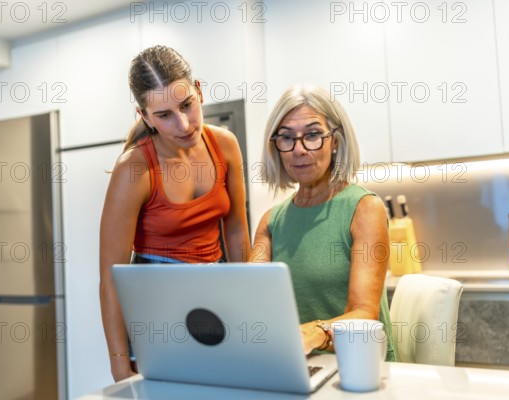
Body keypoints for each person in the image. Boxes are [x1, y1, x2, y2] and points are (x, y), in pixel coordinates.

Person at [100, 45, 251, 382]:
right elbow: (111, 278)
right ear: (144, 117)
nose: (183, 124)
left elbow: (238, 231)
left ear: (199, 90)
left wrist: (248, 305)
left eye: (187, 106)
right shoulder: (134, 169)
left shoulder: (225, 145)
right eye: (165, 115)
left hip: (216, 299)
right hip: (155, 310)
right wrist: (120, 366)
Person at [251, 84, 397, 361]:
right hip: (298, 366)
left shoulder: (364, 209)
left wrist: (317, 332)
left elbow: (364, 313)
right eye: (286, 138)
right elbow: (252, 300)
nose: (299, 149)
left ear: (336, 141)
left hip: (359, 367)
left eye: (313, 135)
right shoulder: (271, 222)